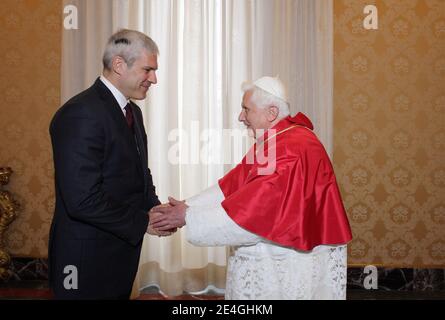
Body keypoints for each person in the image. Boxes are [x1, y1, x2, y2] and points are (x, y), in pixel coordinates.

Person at [149, 76, 353, 300]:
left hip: (283, 268)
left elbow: (253, 214)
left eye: (246, 110)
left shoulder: (291, 148)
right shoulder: (281, 138)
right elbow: (232, 186)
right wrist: (187, 206)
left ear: (271, 113)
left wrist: (187, 216)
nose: (240, 117)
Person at [49, 29, 165, 299]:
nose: (154, 79)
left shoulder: (131, 110)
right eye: (148, 70)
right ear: (119, 65)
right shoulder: (80, 113)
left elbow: (139, 172)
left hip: (119, 253)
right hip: (85, 260)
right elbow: (82, 199)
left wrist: (156, 210)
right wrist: (142, 222)